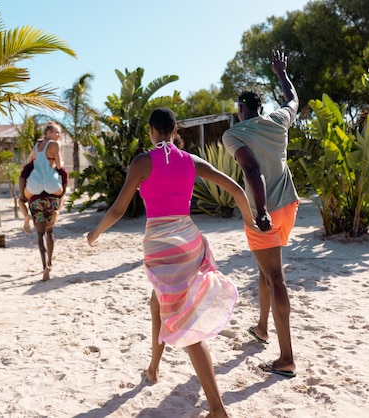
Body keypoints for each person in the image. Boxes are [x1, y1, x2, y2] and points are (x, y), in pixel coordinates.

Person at [87, 107, 262, 418]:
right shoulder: (190, 161)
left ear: (152, 130)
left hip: (161, 249)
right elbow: (235, 189)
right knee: (158, 303)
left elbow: (116, 210)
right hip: (189, 241)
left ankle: (218, 409)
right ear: (175, 129)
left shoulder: (142, 162)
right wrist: (250, 221)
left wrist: (94, 234)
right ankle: (153, 368)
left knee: (186, 326)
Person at [222, 49, 300, 378]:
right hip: (290, 207)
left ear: (242, 110)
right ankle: (262, 328)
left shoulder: (234, 134)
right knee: (265, 271)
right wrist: (281, 72)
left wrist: (262, 211)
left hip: (263, 213)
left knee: (276, 278)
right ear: (260, 108)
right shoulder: (278, 120)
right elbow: (293, 98)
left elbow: (252, 170)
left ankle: (286, 358)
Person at [18, 121, 67, 282]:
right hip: (51, 186)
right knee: (62, 197)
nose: (58, 136)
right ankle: (57, 212)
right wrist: (61, 166)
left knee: (39, 234)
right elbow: (59, 166)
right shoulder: (55, 145)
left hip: (35, 186)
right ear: (49, 133)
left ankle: (43, 265)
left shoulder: (36, 145)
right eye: (57, 132)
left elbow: (30, 163)